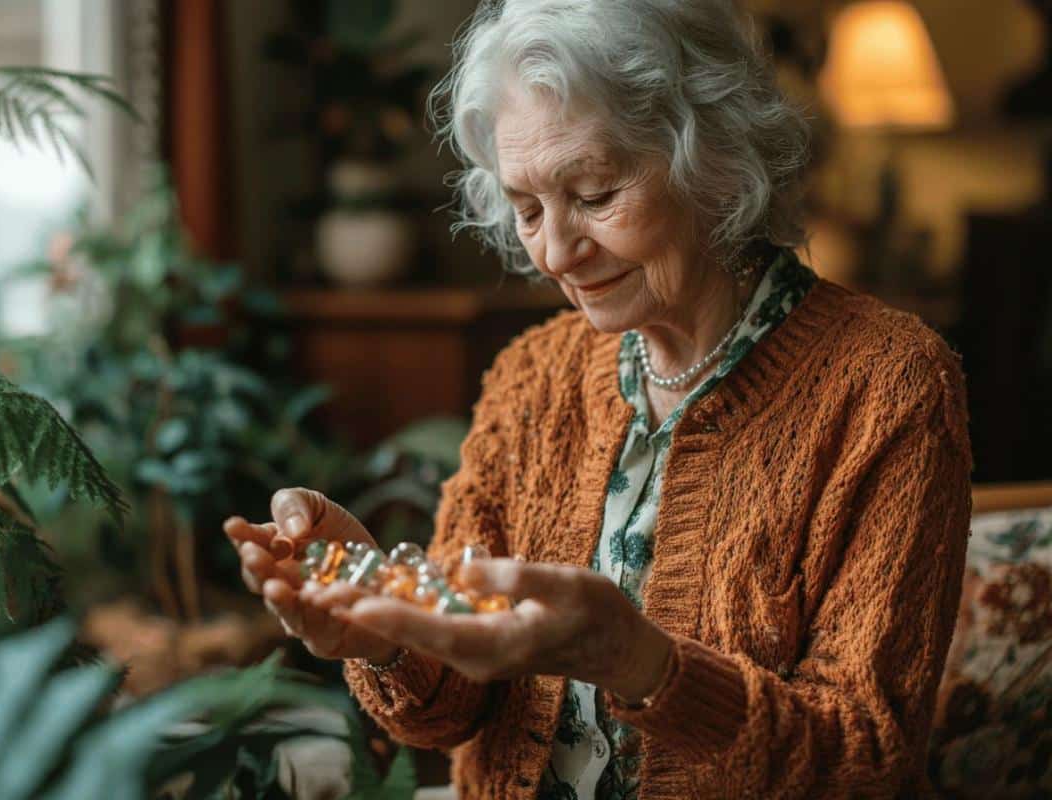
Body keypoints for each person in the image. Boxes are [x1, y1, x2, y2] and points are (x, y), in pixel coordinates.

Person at [223, 1, 971, 797]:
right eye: (527, 208)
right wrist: (381, 630)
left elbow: (866, 759)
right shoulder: (533, 376)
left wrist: (638, 662)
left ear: (710, 157)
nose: (556, 252)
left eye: (594, 192)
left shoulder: (887, 386)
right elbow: (446, 715)